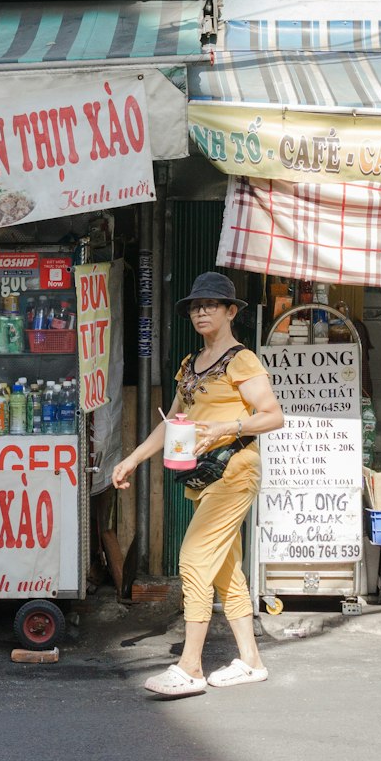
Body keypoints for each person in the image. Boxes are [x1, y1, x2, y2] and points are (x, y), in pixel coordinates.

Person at [112, 271, 283, 699]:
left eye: (210, 304)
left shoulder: (241, 360)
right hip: (206, 475)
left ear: (230, 312)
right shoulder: (191, 365)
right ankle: (250, 661)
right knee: (226, 572)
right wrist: (132, 459)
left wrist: (228, 425)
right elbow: (172, 424)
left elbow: (274, 416)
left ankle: (189, 667)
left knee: (192, 560)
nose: (200, 311)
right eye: (194, 305)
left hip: (235, 471)